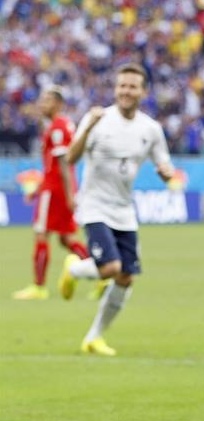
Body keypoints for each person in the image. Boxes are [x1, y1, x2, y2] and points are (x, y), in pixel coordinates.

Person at [57, 63, 175, 356]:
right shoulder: (98, 118)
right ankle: (74, 268)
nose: (126, 91)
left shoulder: (151, 129)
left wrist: (166, 172)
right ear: (115, 89)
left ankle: (94, 337)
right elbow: (70, 158)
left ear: (143, 92)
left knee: (126, 277)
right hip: (94, 205)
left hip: (124, 210)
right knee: (111, 268)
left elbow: (165, 164)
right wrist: (88, 128)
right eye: (122, 85)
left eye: (132, 86)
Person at [12, 86, 89, 300]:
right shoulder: (63, 125)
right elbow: (54, 166)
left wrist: (69, 194)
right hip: (59, 188)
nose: (42, 104)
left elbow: (63, 164)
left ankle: (39, 287)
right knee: (66, 238)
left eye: (47, 100)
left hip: (55, 191)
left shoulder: (57, 128)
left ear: (58, 104)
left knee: (41, 233)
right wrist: (38, 189)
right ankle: (102, 273)